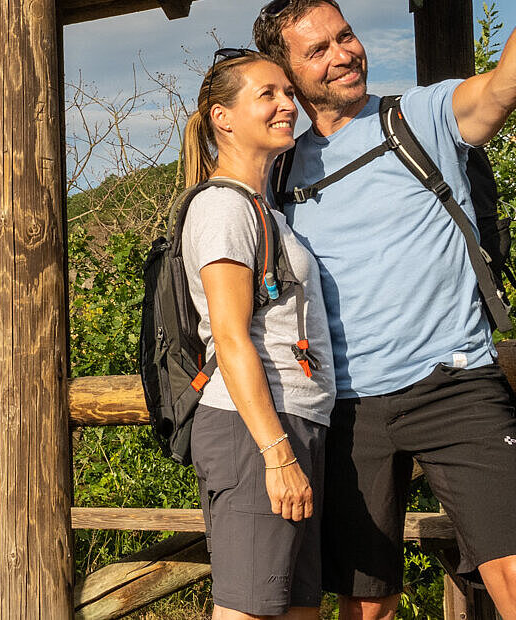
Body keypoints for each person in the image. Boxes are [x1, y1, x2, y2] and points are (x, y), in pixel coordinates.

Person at [251, 0, 516, 620]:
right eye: (319, 50)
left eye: (345, 36)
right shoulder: (277, 173)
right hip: (345, 408)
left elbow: (505, 86)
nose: (343, 54)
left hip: (455, 384)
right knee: (366, 606)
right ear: (289, 75)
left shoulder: (417, 118)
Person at [176, 48, 339, 620]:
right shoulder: (223, 207)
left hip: (292, 421)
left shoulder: (261, 207)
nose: (287, 105)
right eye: (267, 94)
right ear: (222, 118)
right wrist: (277, 453)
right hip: (255, 431)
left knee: (295, 610)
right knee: (248, 611)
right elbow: (230, 337)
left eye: (288, 93)